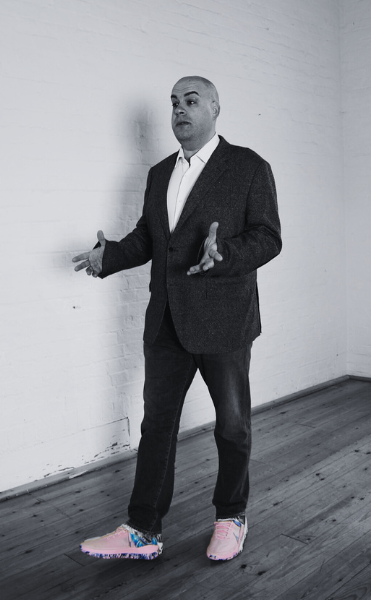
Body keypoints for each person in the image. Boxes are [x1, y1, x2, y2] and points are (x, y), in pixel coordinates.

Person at [72, 76, 282, 562]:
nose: (179, 111)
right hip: (167, 320)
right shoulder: (160, 172)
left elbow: (268, 237)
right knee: (157, 427)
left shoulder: (249, 167)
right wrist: (111, 257)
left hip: (225, 321)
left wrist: (224, 253)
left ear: (214, 108)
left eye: (190, 101)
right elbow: (150, 238)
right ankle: (143, 530)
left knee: (232, 426)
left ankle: (231, 517)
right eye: (173, 104)